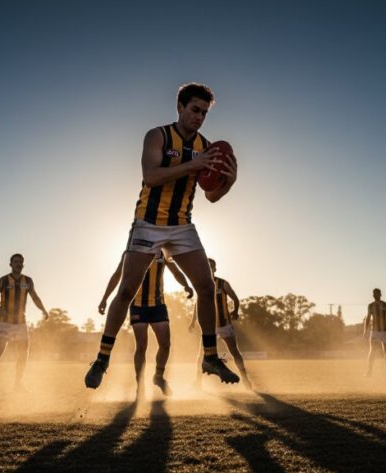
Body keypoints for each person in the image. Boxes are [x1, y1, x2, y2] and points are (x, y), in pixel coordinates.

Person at [85, 82, 240, 389]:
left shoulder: (205, 146)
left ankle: (210, 356)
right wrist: (192, 165)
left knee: (206, 288)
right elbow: (151, 176)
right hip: (148, 222)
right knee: (128, 288)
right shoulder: (157, 135)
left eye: (204, 113)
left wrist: (229, 182)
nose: (199, 117)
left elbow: (210, 196)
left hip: (182, 225)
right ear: (180, 107)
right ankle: (102, 359)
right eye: (195, 110)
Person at [99, 251, 193, 398]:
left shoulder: (163, 253)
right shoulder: (130, 252)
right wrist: (105, 298)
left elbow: (176, 272)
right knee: (142, 346)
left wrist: (186, 285)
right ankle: (140, 385)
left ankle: (158, 376)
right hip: (137, 305)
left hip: (158, 305)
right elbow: (117, 275)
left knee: (165, 344)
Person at [0, 253, 49, 395]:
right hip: (5, 324)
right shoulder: (3, 281)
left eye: (21, 262)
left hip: (21, 323)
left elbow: (35, 297)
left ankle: (17, 384)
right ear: (10, 264)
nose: (19, 264)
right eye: (16, 262)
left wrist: (44, 310)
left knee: (23, 354)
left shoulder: (28, 281)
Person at [192, 258, 253, 389]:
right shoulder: (200, 284)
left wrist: (235, 310)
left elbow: (235, 299)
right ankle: (197, 383)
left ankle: (245, 379)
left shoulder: (222, 283)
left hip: (224, 324)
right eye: (206, 266)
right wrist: (193, 321)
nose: (209, 268)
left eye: (211, 266)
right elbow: (197, 305)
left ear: (215, 269)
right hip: (209, 326)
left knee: (234, 351)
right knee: (202, 354)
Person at [363, 288, 386, 378]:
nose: (375, 295)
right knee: (372, 350)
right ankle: (369, 371)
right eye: (374, 294)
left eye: (377, 294)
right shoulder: (370, 306)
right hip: (375, 331)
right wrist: (365, 330)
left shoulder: (385, 305)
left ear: (380, 295)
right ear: (373, 295)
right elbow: (368, 318)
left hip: (385, 331)